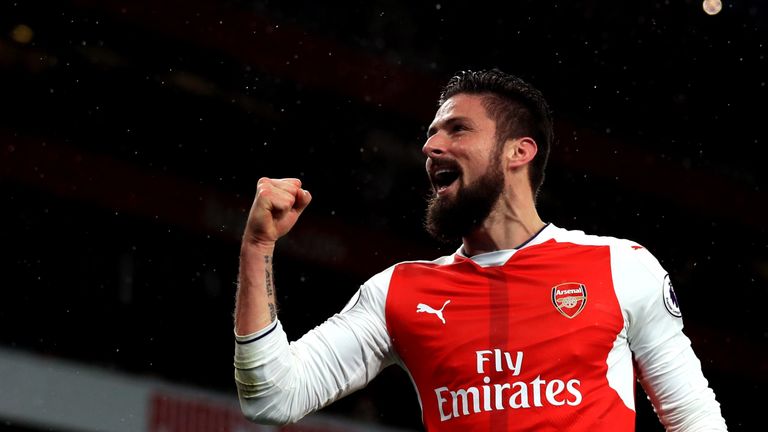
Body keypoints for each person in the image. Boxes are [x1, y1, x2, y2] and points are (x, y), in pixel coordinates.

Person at [233, 69, 727, 431]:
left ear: (519, 151)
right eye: (431, 134)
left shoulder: (622, 267)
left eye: (457, 129)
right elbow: (273, 397)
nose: (431, 146)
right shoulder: (398, 293)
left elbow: (694, 420)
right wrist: (258, 247)